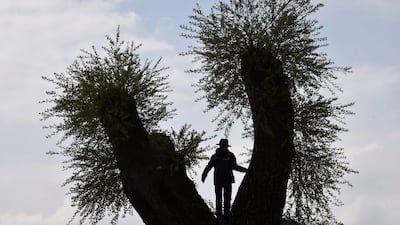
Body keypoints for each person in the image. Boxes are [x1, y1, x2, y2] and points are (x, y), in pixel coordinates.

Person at [201, 138, 247, 224]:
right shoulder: (230, 155)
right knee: (227, 199)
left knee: (218, 199)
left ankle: (219, 217)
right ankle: (226, 218)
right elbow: (235, 167)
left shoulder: (214, 156)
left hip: (217, 180)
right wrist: (246, 170)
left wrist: (204, 176)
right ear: (227, 146)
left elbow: (208, 167)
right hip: (228, 180)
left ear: (220, 145)